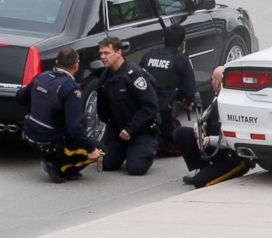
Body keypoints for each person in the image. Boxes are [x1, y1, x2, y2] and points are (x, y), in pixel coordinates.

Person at [16, 47, 102, 183]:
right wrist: (91, 149)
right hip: (51, 142)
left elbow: (20, 97)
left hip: (30, 137)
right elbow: (75, 128)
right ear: (76, 65)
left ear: (57, 62)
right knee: (101, 148)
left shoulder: (41, 76)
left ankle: (53, 160)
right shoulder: (71, 88)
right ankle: (62, 167)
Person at [174, 66, 251, 188]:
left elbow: (235, 139)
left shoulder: (234, 104)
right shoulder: (218, 98)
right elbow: (202, 119)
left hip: (232, 157)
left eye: (212, 80)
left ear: (217, 83)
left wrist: (209, 140)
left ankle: (211, 175)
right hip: (216, 150)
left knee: (201, 183)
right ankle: (203, 169)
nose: (212, 83)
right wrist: (199, 131)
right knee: (181, 133)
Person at [96, 36, 160, 175]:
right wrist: (102, 117)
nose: (103, 57)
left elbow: (150, 106)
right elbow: (102, 99)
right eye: (101, 53)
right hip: (118, 129)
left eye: (107, 53)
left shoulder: (134, 75)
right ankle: (123, 150)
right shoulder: (106, 75)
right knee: (106, 164)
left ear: (118, 52)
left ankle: (144, 148)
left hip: (139, 129)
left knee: (136, 168)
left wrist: (130, 129)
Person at [139, 24, 196, 156]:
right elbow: (189, 90)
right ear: (182, 42)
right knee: (180, 144)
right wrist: (189, 102)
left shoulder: (149, 55)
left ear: (163, 39)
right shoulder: (182, 59)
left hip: (142, 108)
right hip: (164, 111)